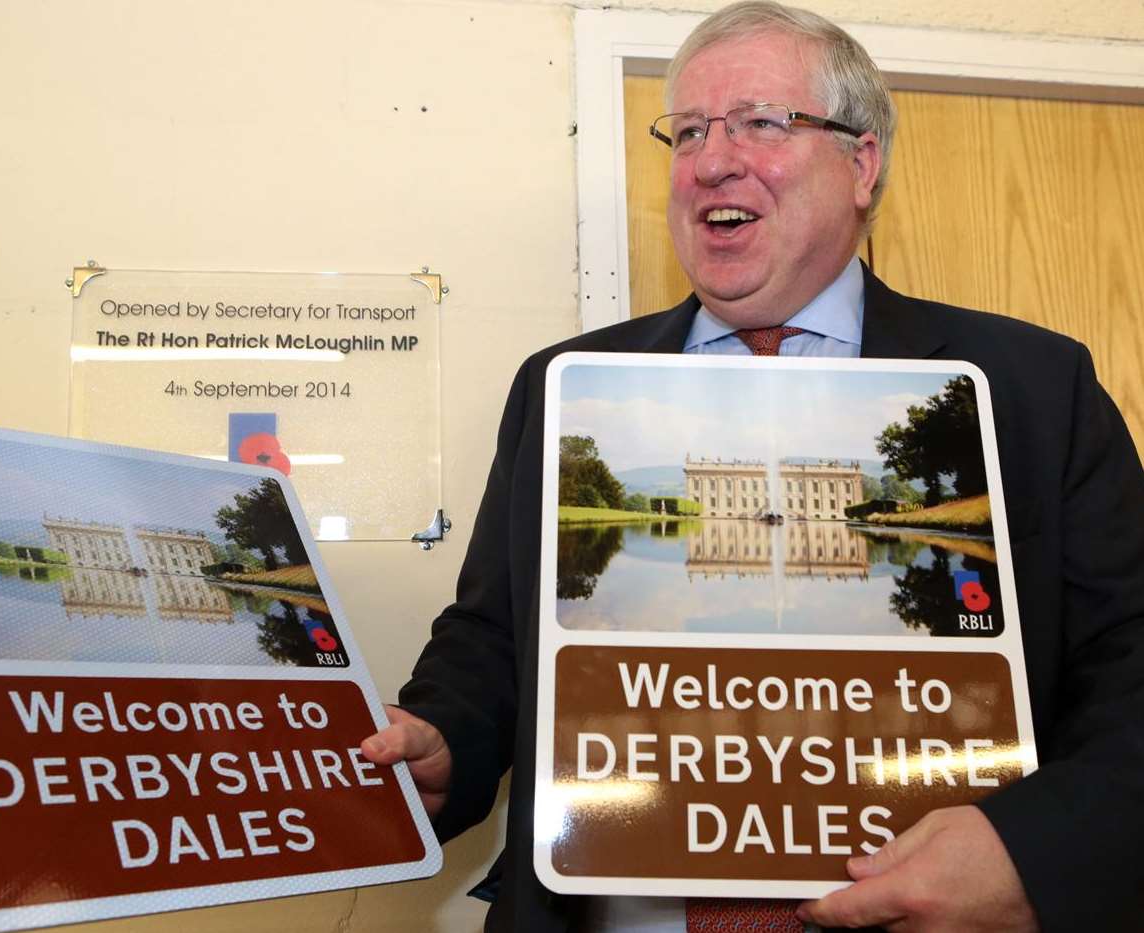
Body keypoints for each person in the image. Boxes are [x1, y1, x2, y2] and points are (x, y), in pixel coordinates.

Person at [361, 3, 1144, 931]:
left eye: (761, 123)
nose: (711, 159)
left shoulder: (1031, 386)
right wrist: (445, 733)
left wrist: (1032, 850)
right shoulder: (562, 388)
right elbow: (494, 634)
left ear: (861, 164)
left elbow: (1129, 663)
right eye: (688, 131)